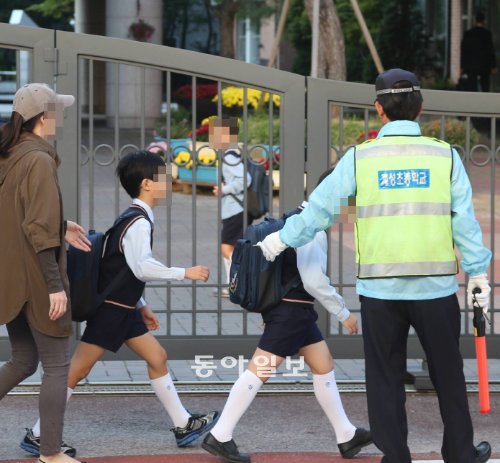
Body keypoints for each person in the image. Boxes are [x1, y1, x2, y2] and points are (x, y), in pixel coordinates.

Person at [257, 69, 492, 463]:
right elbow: (464, 222)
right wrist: (478, 272)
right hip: (435, 289)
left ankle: (396, 456)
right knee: (448, 374)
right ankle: (460, 453)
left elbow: (318, 211)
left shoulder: (359, 159)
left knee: (385, 378)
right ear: (420, 108)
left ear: (379, 109)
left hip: (380, 292)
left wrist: (280, 239)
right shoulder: (443, 155)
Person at [21, 150, 219, 456]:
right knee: (76, 371)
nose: (168, 181)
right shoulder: (138, 223)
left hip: (124, 308)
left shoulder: (134, 217)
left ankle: (183, 424)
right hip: (112, 311)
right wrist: (185, 273)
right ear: (147, 184)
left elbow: (122, 270)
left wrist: (140, 304)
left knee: (157, 356)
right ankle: (38, 434)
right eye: (163, 176)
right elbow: (141, 267)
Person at [202, 174, 372, 463]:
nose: (354, 208)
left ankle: (346, 435)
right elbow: (313, 279)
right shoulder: (310, 226)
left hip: (296, 313)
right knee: (259, 370)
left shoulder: (299, 217)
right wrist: (343, 313)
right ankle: (220, 435)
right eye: (353, 201)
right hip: (292, 314)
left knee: (323, 365)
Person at [0, 83, 91, 463]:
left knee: (23, 359)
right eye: (58, 109)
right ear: (43, 117)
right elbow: (37, 227)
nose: (62, 115)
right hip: (37, 279)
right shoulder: (37, 160)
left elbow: (20, 213)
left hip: (10, 277)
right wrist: (55, 287)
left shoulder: (10, 154)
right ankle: (51, 452)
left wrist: (61, 224)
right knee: (56, 365)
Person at [211, 117, 252, 297]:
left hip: (236, 208)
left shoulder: (229, 156)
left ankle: (235, 284)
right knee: (232, 247)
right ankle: (236, 284)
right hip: (237, 207)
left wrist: (224, 189)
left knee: (227, 247)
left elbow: (245, 179)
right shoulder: (235, 153)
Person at [461, 11, 496, 92]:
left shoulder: (468, 34)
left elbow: (464, 50)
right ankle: (485, 102)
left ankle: (473, 102)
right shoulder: (487, 34)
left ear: (475, 20)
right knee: (485, 86)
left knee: (472, 87)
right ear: (484, 21)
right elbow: (490, 50)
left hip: (471, 65)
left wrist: (462, 66)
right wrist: (493, 65)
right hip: (484, 65)